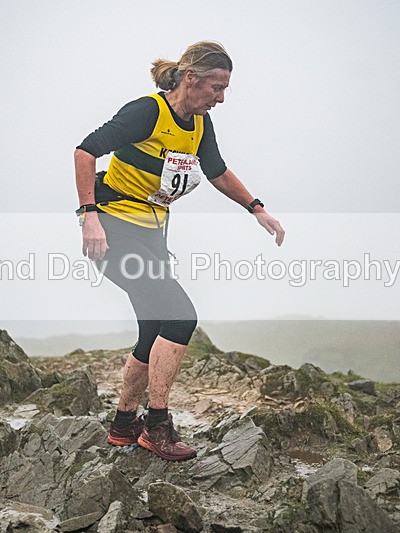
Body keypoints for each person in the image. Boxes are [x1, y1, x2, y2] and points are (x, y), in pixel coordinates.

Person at [74, 41, 284, 461]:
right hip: (114, 229)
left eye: (225, 89)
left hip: (151, 236)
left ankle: (122, 424)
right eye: (216, 87)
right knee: (181, 316)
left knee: (154, 327)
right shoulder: (147, 112)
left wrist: (256, 209)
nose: (221, 98)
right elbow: (85, 151)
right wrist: (89, 216)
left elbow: (217, 171)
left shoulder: (200, 125)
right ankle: (157, 426)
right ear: (191, 78)